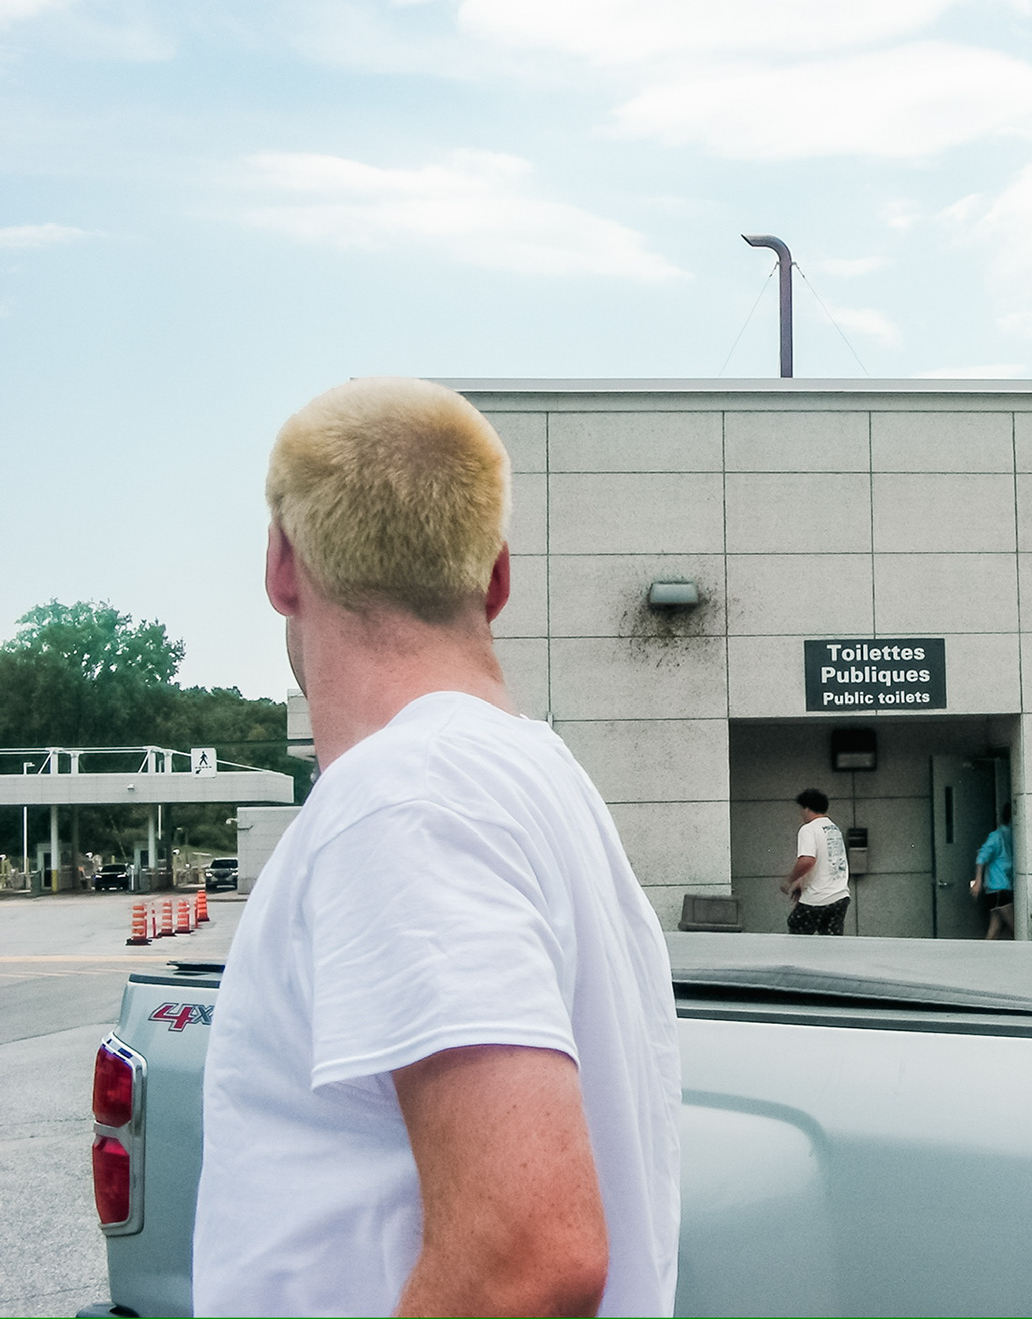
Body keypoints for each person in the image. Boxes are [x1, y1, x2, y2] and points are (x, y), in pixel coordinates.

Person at [194, 377, 680, 1318]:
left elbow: (528, 1259)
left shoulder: (406, 798)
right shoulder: (530, 780)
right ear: (497, 578)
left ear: (282, 564)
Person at [782, 788, 850, 935]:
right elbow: (825, 861)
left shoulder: (808, 829)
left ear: (807, 808)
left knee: (797, 927)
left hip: (818, 898)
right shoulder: (834, 828)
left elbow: (807, 860)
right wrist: (802, 881)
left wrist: (789, 880)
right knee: (831, 940)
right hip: (840, 896)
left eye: (801, 809)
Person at [970, 803, 1015, 940]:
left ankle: (983, 953)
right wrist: (978, 881)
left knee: (993, 931)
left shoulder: (1004, 835)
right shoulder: (999, 836)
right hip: (1000, 889)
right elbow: (982, 856)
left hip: (995, 890)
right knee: (1018, 929)